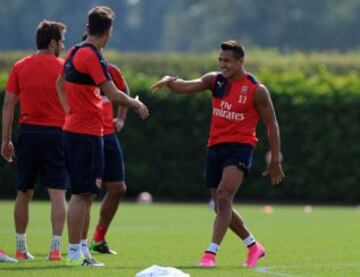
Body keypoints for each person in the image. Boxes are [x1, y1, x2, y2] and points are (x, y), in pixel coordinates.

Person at [151, 40, 285, 268]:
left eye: (228, 61)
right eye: (220, 60)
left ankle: (210, 254)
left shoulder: (256, 89)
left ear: (241, 61)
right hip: (215, 147)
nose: (223, 64)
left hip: (240, 147)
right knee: (220, 206)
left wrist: (275, 159)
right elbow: (186, 86)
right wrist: (170, 82)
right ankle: (254, 246)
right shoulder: (215, 80)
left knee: (223, 197)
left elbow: (272, 124)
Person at [57, 6, 149, 267]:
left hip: (81, 129)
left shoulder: (74, 51)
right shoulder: (92, 56)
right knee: (80, 194)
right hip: (84, 132)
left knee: (87, 194)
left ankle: (82, 250)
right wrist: (136, 104)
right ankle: (75, 254)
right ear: (108, 32)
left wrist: (69, 112)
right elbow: (114, 92)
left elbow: (58, 85)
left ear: (88, 27)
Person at [1, 20, 68, 261]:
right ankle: (55, 249)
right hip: (57, 134)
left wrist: (6, 140)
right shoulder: (64, 68)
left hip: (28, 134)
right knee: (58, 193)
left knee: (23, 192)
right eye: (61, 41)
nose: (62, 46)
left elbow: (8, 105)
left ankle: (20, 247)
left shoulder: (20, 66)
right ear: (52, 43)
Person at [88, 62, 129, 255]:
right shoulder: (74, 69)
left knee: (118, 188)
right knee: (86, 191)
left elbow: (124, 89)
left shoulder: (110, 69)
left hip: (108, 135)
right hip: (85, 134)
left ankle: (98, 239)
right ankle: (78, 243)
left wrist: (121, 118)